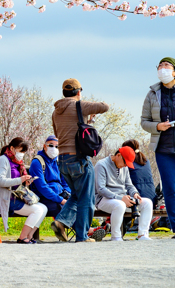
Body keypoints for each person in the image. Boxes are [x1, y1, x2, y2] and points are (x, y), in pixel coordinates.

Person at [51, 77, 108, 242]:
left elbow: (58, 134)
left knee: (76, 195)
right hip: (78, 159)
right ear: (78, 92)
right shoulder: (79, 105)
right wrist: (85, 105)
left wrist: (85, 120)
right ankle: (82, 236)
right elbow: (105, 106)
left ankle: (61, 222)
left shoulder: (56, 111)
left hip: (62, 160)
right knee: (87, 199)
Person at [141, 56, 175, 236]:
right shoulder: (152, 94)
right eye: (160, 66)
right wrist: (157, 126)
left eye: (166, 65)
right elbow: (143, 122)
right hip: (163, 149)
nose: (163, 68)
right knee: (170, 189)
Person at [0, 138, 48, 244]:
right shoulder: (3, 160)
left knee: (44, 208)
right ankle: (22, 237)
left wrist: (25, 182)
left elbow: (16, 180)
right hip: (8, 199)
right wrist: (20, 179)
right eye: (20, 151)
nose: (21, 154)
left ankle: (29, 235)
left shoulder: (18, 162)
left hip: (18, 197)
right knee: (37, 210)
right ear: (12, 148)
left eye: (23, 152)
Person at [94, 145, 153, 241]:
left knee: (147, 203)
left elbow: (129, 185)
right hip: (103, 199)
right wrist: (120, 198)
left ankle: (142, 235)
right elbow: (101, 189)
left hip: (122, 198)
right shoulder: (101, 165)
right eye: (125, 162)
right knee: (120, 205)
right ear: (118, 155)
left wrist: (135, 194)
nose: (126, 165)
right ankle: (116, 236)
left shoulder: (124, 167)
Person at [28, 136, 70, 218]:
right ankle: (87, 230)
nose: (54, 148)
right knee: (60, 208)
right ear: (45, 146)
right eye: (51, 145)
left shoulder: (59, 162)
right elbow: (42, 187)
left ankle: (85, 229)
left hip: (60, 194)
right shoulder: (37, 162)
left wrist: (67, 193)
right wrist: (60, 200)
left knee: (77, 204)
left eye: (57, 146)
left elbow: (65, 181)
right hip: (45, 197)